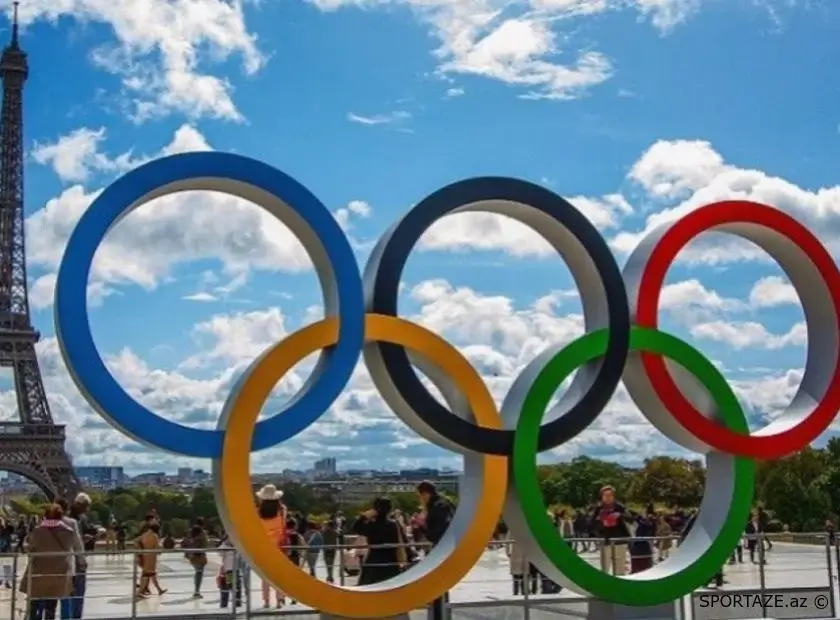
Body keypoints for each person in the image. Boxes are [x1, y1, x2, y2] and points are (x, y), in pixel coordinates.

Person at [20, 504, 76, 620]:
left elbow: (30, 548)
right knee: (51, 606)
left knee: (34, 606)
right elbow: (69, 548)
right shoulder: (68, 532)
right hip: (58, 574)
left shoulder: (38, 531)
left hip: (38, 574)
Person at [417, 481, 454, 618]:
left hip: (440, 550)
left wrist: (421, 525)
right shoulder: (444, 504)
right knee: (441, 586)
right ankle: (442, 613)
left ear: (425, 494)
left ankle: (439, 614)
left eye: (419, 496)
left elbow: (435, 532)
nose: (419, 500)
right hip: (446, 548)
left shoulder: (437, 507)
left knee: (438, 584)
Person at [352, 496, 406, 585]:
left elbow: (356, 528)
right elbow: (402, 540)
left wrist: (364, 516)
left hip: (373, 561)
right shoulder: (393, 525)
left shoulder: (372, 525)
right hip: (391, 562)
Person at [255, 484, 287, 608]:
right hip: (278, 547)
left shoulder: (257, 512)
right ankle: (279, 600)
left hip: (263, 547)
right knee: (279, 576)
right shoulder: (282, 510)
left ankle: (266, 601)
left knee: (265, 577)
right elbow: (284, 524)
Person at [589, 485, 631, 576]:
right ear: (602, 496)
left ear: (613, 496)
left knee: (620, 569)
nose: (608, 498)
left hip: (620, 539)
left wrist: (619, 515)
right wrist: (601, 522)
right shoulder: (598, 508)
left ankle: (620, 586)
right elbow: (591, 524)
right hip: (605, 539)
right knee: (605, 568)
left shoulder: (619, 507)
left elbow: (631, 518)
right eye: (605, 495)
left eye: (610, 495)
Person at [66, 493, 96, 619]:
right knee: (74, 590)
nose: (86, 509)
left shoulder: (81, 518)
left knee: (77, 591)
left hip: (77, 559)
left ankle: (75, 616)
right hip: (73, 559)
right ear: (79, 504)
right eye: (85, 506)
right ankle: (74, 616)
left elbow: (87, 531)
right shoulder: (70, 520)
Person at [55, 498, 85, 620]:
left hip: (48, 564)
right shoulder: (71, 523)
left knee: (48, 599)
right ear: (67, 510)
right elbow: (77, 543)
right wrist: (82, 559)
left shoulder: (44, 522)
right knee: (66, 595)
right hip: (67, 564)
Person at [135, 522, 167, 598]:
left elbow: (136, 541)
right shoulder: (154, 536)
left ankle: (159, 590)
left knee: (152, 574)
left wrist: (141, 550)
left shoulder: (145, 535)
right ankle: (139, 592)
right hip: (151, 557)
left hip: (145, 556)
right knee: (146, 574)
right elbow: (157, 548)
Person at [182, 522, 208, 598]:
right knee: (199, 573)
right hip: (199, 557)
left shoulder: (191, 537)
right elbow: (204, 544)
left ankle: (197, 590)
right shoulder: (200, 537)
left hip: (193, 557)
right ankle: (197, 591)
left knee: (198, 573)